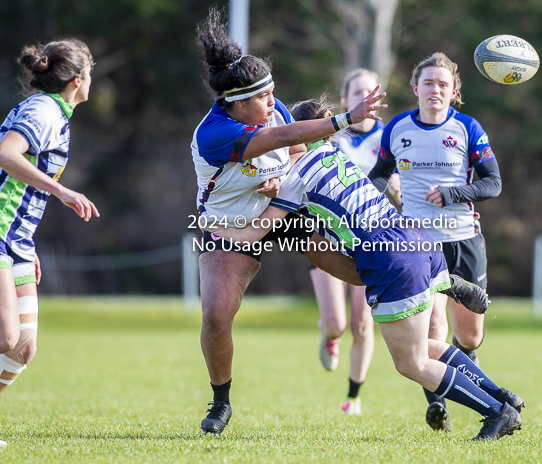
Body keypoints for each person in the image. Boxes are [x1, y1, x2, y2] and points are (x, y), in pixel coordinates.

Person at [207, 98, 524, 441]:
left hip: (388, 258)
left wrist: (214, 222)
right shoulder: (335, 154)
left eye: (285, 133)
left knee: (411, 363)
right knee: (428, 346)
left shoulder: (296, 178)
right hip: (413, 236)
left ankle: (496, 412)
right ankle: (500, 394)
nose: (278, 139)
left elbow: (256, 231)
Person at [192, 8, 386, 436]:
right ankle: (220, 400)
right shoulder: (213, 132)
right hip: (231, 227)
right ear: (237, 103)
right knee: (217, 313)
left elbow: (293, 150)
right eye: (263, 98)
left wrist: (282, 179)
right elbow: (279, 138)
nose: (273, 102)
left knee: (359, 272)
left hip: (282, 211)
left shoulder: (268, 107)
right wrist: (344, 119)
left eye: (273, 94)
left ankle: (441, 280)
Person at [368, 52, 503, 431]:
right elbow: (378, 176)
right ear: (415, 88)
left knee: (470, 336)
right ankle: (438, 404)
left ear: (454, 91)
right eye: (428, 83)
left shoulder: (468, 129)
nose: (435, 90)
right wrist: (371, 203)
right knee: (430, 330)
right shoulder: (396, 129)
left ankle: (477, 388)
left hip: (463, 241)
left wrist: (452, 193)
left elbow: (493, 183)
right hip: (417, 244)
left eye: (443, 84)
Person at [0, 40, 99, 447]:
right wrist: (63, 192)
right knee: (5, 337)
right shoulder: (43, 111)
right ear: (78, 80)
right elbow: (7, 155)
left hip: (16, 238)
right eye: (91, 73)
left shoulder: (54, 112)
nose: (92, 80)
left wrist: (29, 242)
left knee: (22, 348)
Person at [311, 70, 391, 416]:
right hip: (329, 237)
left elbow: (399, 173)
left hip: (369, 239)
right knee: (338, 324)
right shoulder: (332, 134)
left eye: (369, 90)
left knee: (362, 322)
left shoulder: (390, 137)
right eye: (356, 91)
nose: (363, 95)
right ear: (346, 100)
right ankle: (327, 334)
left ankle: (353, 398)